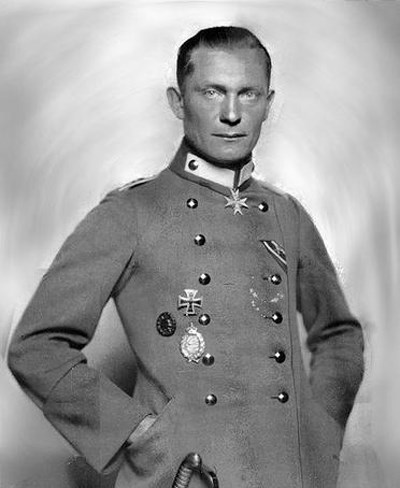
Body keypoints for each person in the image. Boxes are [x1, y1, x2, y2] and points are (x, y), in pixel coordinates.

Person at [7, 26, 364, 488]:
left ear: (268, 104)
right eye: (212, 92)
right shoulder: (130, 212)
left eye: (248, 94)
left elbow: (338, 334)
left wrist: (322, 431)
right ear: (178, 102)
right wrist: (137, 433)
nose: (231, 114)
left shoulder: (287, 214)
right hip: (184, 474)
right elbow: (36, 347)